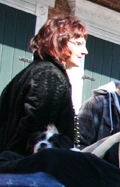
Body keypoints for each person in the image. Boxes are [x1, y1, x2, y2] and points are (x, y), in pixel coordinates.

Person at [0, 16, 88, 155]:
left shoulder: (32, 72)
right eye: (78, 43)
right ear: (59, 41)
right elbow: (32, 131)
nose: (84, 51)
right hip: (29, 170)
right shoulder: (50, 76)